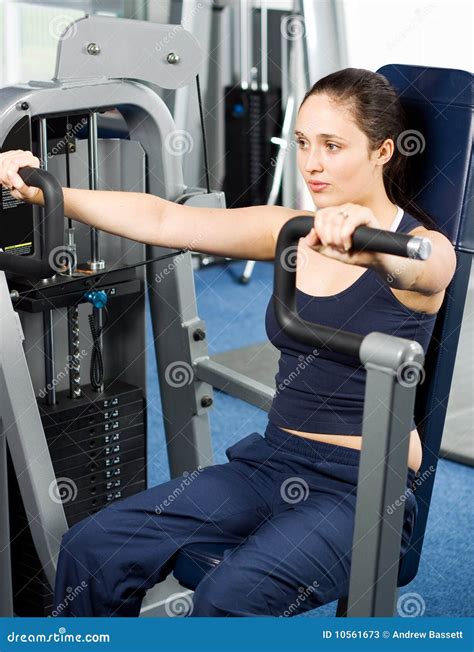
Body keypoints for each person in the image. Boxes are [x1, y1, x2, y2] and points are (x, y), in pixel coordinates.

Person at [0, 68, 456, 617]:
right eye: (304, 143)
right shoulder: (292, 229)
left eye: (333, 147)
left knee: (228, 596)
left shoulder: (422, 245)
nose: (311, 164)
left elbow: (427, 273)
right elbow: (166, 219)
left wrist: (371, 240)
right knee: (94, 549)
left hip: (363, 489)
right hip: (271, 463)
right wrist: (46, 186)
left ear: (384, 151)